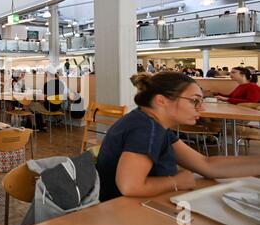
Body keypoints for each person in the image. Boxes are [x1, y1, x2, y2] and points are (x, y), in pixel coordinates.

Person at [97, 72, 260, 202]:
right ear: (162, 100)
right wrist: (175, 182)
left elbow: (206, 165)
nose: (201, 108)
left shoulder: (154, 125)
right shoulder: (146, 128)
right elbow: (130, 186)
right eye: (194, 101)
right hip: (124, 212)